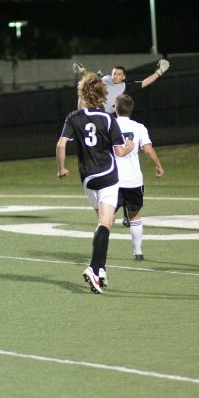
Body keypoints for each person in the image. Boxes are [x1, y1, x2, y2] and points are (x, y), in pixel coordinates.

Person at [56, 73, 134, 294]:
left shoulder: (74, 117)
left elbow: (61, 145)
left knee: (104, 222)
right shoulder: (108, 119)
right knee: (105, 222)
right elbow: (119, 151)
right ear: (103, 96)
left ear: (82, 95)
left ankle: (101, 270)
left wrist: (61, 168)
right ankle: (94, 267)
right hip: (108, 175)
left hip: (88, 179)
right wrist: (129, 146)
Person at [72, 57, 170, 227]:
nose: (115, 76)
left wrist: (159, 72)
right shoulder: (105, 81)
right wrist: (82, 70)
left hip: (116, 125)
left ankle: (121, 212)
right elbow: (92, 77)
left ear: (123, 77)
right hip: (104, 125)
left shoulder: (127, 86)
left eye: (118, 74)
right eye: (114, 73)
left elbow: (145, 82)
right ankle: (111, 209)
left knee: (121, 161)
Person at [114, 94, 164, 260]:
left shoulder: (109, 125)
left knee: (107, 217)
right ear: (131, 110)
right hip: (134, 179)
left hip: (113, 180)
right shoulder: (139, 127)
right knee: (134, 215)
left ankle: (100, 253)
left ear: (116, 108)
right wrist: (158, 165)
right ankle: (138, 251)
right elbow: (148, 150)